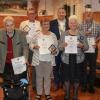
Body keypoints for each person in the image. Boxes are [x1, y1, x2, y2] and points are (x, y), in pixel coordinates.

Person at [59, 15, 88, 100]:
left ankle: (75, 94)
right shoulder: (64, 34)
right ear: (69, 24)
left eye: (74, 22)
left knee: (77, 77)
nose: (73, 24)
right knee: (66, 77)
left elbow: (87, 47)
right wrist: (63, 45)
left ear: (77, 24)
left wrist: (82, 45)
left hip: (78, 59)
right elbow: (59, 47)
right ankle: (67, 94)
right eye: (71, 23)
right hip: (66, 59)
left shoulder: (81, 34)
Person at [29, 19, 58, 100]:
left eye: (47, 24)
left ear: (49, 25)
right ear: (41, 25)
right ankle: (39, 94)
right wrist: (34, 46)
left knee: (47, 77)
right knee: (39, 77)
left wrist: (54, 51)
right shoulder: (37, 35)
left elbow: (56, 48)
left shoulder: (53, 35)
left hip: (49, 59)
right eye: (44, 24)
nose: (46, 26)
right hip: (39, 59)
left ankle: (47, 94)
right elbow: (31, 44)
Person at [0, 16, 28, 83]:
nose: (10, 27)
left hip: (17, 62)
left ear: (14, 25)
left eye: (11, 25)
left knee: (18, 83)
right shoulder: (0, 33)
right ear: (4, 26)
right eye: (7, 25)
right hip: (5, 63)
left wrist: (25, 57)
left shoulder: (20, 33)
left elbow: (25, 47)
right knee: (6, 83)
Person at [19, 8, 41, 90]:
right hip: (25, 47)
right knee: (23, 66)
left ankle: (34, 85)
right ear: (27, 15)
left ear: (35, 15)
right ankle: (24, 83)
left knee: (35, 67)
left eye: (33, 13)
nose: (32, 15)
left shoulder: (39, 23)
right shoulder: (23, 23)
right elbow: (19, 36)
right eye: (30, 13)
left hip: (35, 48)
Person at [79, 8, 100, 93]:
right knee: (83, 68)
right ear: (84, 14)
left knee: (92, 68)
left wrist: (96, 41)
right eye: (87, 13)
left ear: (92, 14)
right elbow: (78, 36)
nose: (88, 14)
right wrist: (84, 34)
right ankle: (84, 85)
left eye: (90, 13)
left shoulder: (98, 25)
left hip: (93, 49)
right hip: (83, 49)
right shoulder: (80, 25)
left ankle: (91, 86)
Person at [50, 7, 69, 90]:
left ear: (65, 14)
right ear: (57, 13)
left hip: (66, 48)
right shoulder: (52, 23)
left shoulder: (70, 22)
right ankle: (56, 82)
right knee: (56, 66)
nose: (61, 14)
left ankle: (64, 82)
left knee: (65, 66)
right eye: (60, 12)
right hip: (55, 48)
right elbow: (49, 35)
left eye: (63, 12)